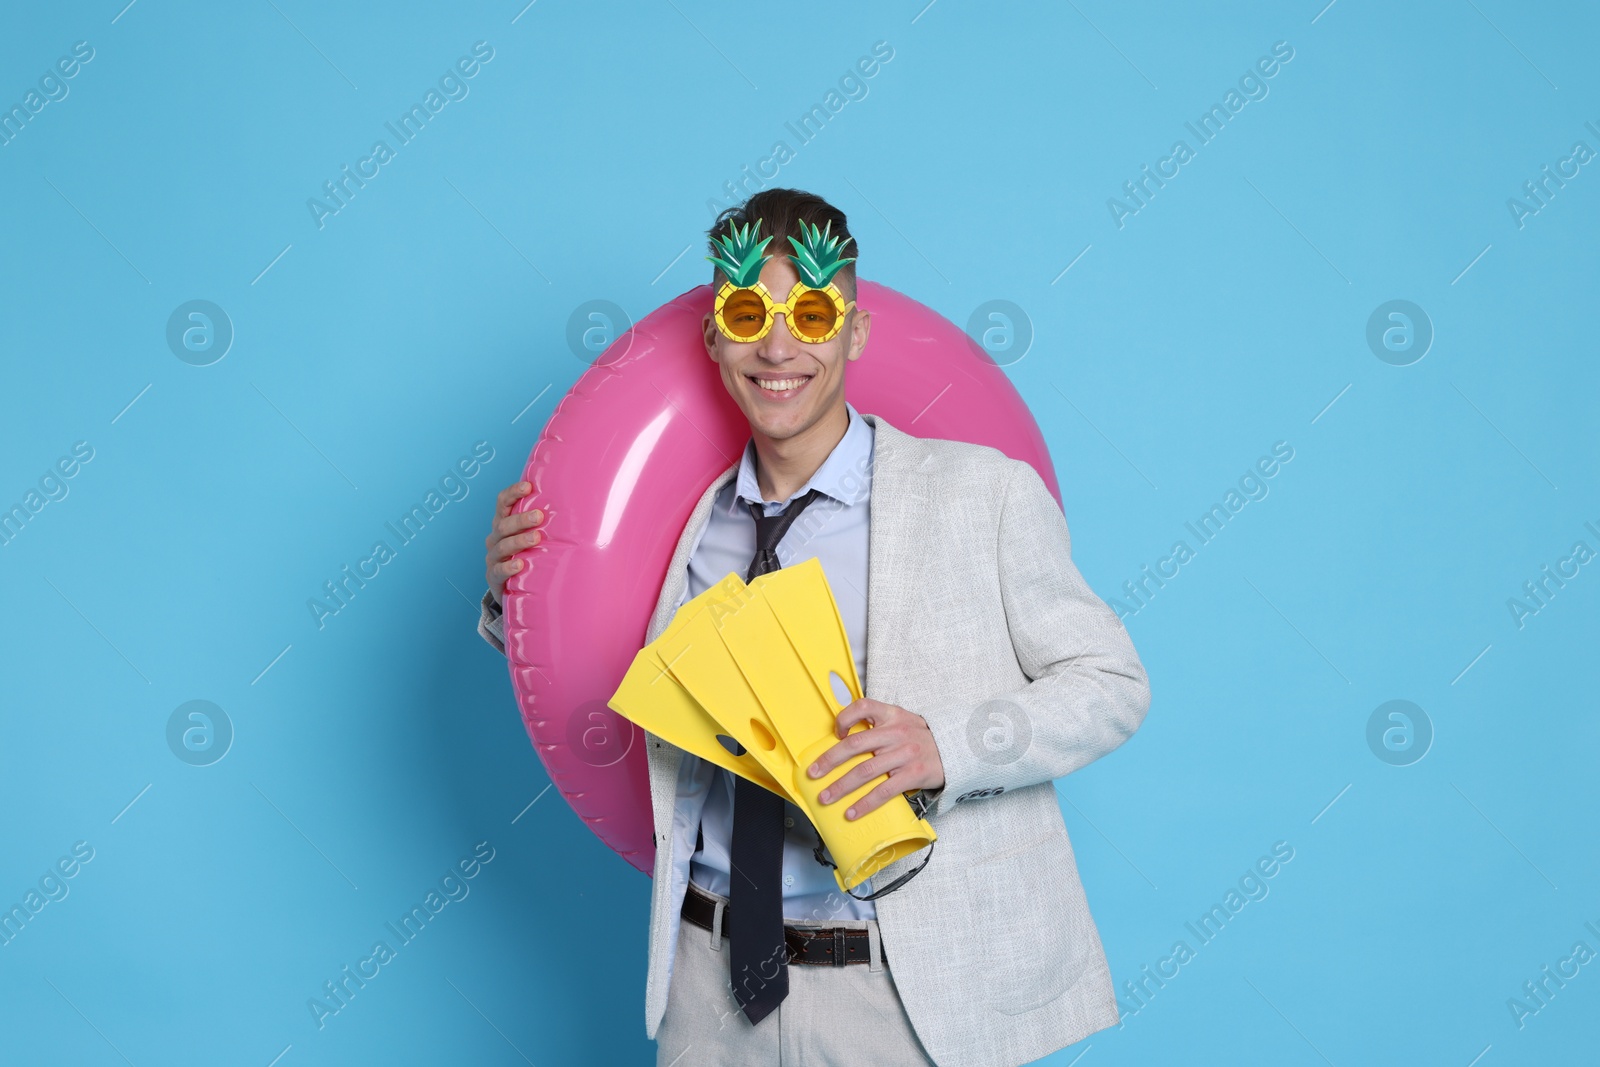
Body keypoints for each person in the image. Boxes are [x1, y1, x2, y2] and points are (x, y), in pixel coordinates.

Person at [475, 188, 1151, 1067]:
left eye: (813, 313)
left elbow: (1111, 684)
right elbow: (595, 666)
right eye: (749, 313)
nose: (779, 346)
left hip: (897, 989)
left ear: (855, 332)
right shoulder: (684, 526)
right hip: (708, 988)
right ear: (716, 336)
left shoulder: (977, 494)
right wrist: (516, 593)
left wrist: (948, 745)